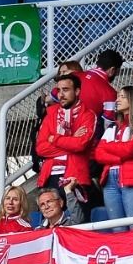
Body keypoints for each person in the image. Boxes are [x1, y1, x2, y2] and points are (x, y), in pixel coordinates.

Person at [34, 73, 98, 215]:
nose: (61, 94)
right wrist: (72, 141)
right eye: (59, 90)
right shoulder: (51, 114)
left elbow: (80, 145)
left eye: (66, 90)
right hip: (49, 178)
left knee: (78, 223)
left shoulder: (88, 115)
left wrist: (55, 139)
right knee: (51, 225)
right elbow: (40, 148)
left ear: (77, 91)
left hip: (76, 177)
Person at [94, 85, 133, 221]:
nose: (117, 100)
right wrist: (120, 158)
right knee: (117, 229)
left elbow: (130, 149)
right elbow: (98, 153)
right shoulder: (113, 126)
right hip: (109, 180)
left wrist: (109, 146)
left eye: (122, 97)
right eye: (117, 96)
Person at [80, 50, 124, 122]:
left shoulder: (76, 76)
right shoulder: (110, 93)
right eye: (117, 72)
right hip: (89, 129)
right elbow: (109, 123)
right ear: (112, 70)